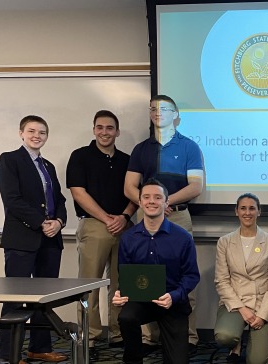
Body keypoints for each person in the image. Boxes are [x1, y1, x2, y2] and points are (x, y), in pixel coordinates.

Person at [124, 94, 204, 351]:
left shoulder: (189, 147)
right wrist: (150, 204)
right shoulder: (141, 149)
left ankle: (187, 336)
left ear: (176, 115)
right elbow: (129, 187)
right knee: (143, 276)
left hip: (177, 215)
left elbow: (196, 186)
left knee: (181, 277)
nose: (158, 113)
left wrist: (163, 203)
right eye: (154, 109)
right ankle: (151, 337)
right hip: (144, 217)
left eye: (165, 109)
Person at [66, 110, 137, 359]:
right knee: (89, 286)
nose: (104, 132)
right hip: (95, 225)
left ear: (117, 131)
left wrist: (124, 217)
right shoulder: (80, 156)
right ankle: (90, 336)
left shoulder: (128, 160)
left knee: (122, 284)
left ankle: (118, 333)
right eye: (100, 127)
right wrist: (107, 218)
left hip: (125, 226)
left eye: (110, 128)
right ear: (94, 129)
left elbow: (135, 193)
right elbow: (78, 192)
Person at [0, 115, 68, 362]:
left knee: (43, 301)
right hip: (22, 239)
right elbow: (12, 199)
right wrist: (41, 222)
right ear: (21, 133)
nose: (37, 136)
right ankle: (9, 352)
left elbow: (60, 200)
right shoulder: (9, 160)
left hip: (50, 240)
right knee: (15, 298)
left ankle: (39, 348)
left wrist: (58, 222)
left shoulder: (48, 166)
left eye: (42, 132)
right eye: (32, 131)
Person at [113, 178, 200, 364]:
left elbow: (192, 275)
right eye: (146, 197)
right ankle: (133, 359)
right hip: (141, 302)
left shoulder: (183, 238)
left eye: (157, 197)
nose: (151, 201)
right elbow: (125, 273)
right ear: (140, 202)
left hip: (172, 303)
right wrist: (122, 293)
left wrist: (174, 296)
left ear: (166, 203)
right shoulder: (128, 238)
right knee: (126, 317)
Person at [214, 193, 268, 364]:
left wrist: (262, 315)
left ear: (259, 211)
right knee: (225, 337)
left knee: (258, 361)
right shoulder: (225, 242)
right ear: (236, 211)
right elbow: (221, 281)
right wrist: (243, 310)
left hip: (262, 304)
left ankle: (251, 340)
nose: (247, 212)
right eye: (243, 208)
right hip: (236, 304)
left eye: (252, 208)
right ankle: (235, 345)